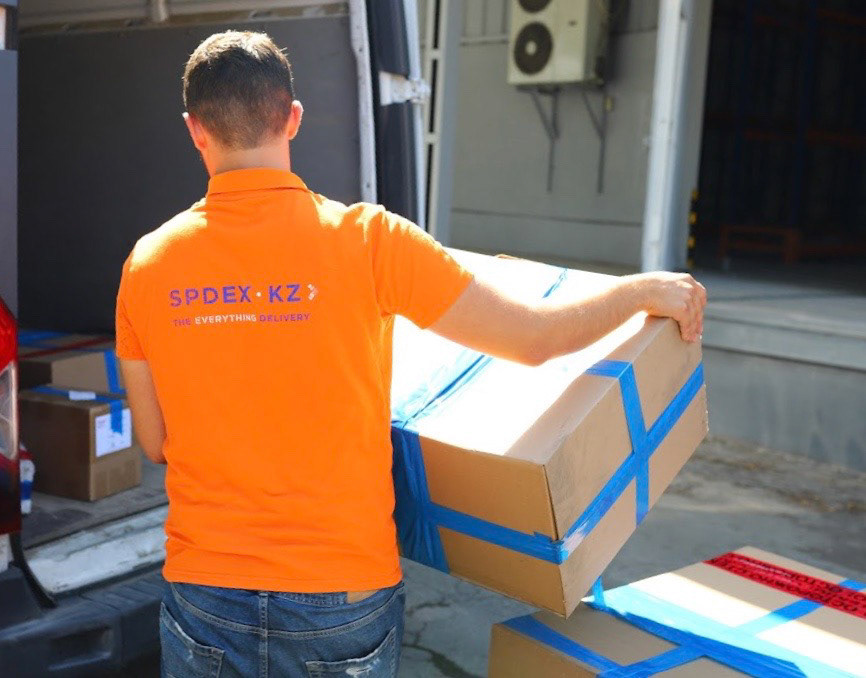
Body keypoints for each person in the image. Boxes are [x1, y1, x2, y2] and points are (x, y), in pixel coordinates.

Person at [116, 30, 706, 678]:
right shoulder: (371, 241)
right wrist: (638, 292)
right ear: (293, 118)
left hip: (205, 594)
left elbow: (154, 441)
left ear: (195, 130)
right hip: (340, 598)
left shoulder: (148, 264)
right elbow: (534, 340)